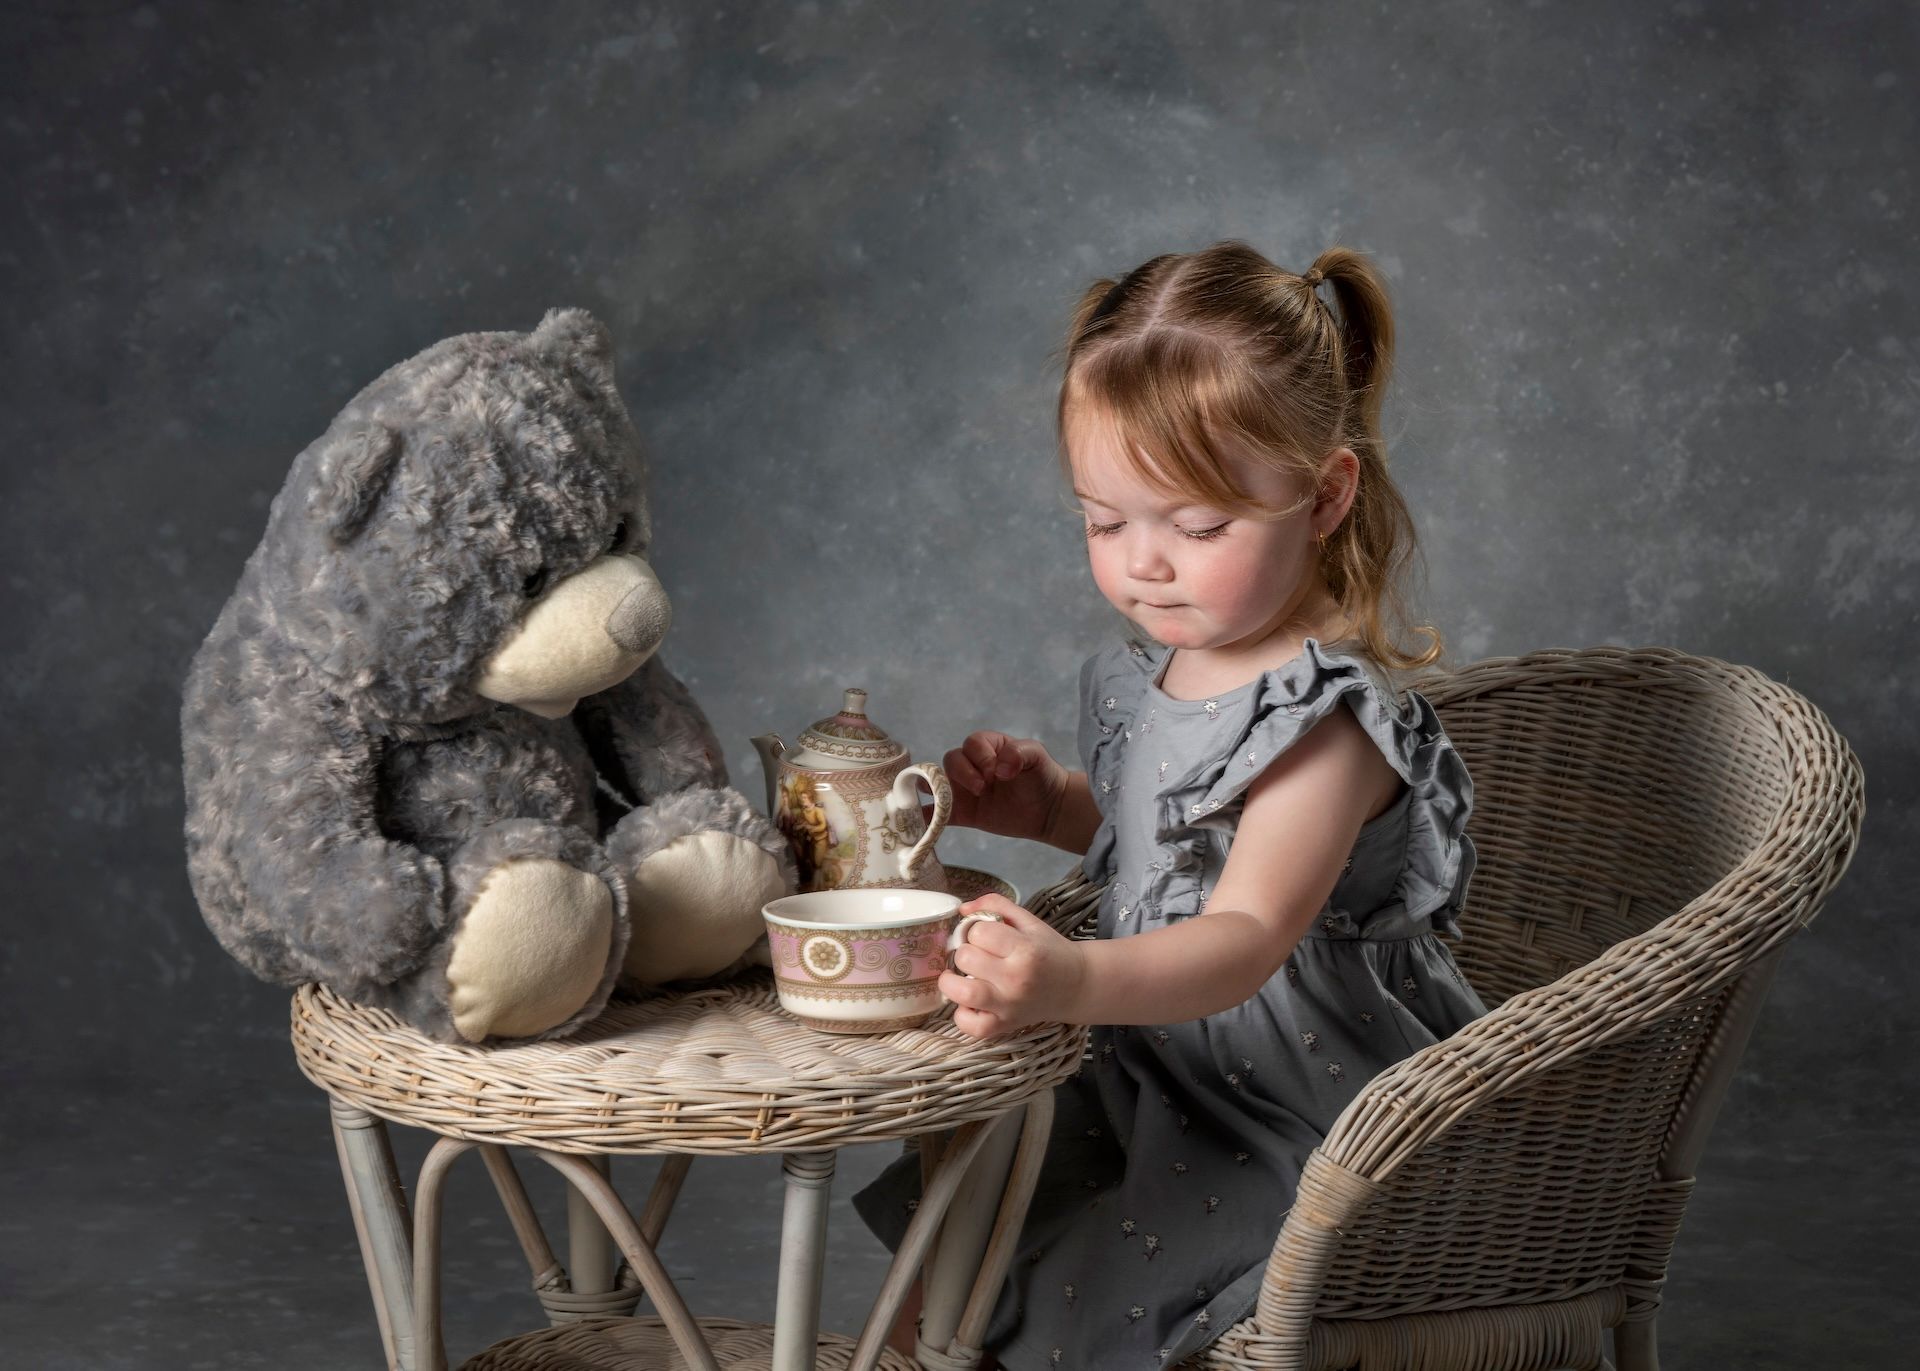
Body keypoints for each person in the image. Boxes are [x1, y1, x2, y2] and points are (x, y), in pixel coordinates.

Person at [852, 240, 1489, 1370]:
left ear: (1324, 496)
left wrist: (1070, 980)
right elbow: (1168, 845)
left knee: (1075, 1261)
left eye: (1196, 528)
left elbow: (1243, 930)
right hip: (1154, 1062)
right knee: (963, 1233)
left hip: (1291, 1106)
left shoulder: (1324, 728)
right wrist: (1052, 804)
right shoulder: (1161, 670)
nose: (1146, 564)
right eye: (1107, 523)